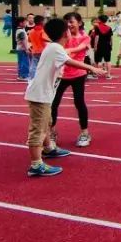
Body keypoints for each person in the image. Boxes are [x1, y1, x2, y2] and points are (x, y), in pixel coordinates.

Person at [24, 17, 103, 178]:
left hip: (44, 94)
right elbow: (70, 62)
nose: (70, 30)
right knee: (38, 130)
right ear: (64, 33)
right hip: (39, 95)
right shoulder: (55, 48)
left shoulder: (54, 47)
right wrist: (92, 68)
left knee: (47, 123)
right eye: (67, 28)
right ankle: (36, 165)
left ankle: (49, 149)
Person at [50, 12, 94, 149]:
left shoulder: (85, 37)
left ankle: (85, 133)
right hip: (61, 75)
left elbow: (78, 49)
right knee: (53, 103)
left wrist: (66, 50)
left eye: (71, 22)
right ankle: (51, 132)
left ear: (79, 23)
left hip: (78, 75)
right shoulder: (63, 37)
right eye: (66, 22)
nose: (69, 25)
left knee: (79, 102)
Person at [90, 14, 114, 79]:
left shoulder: (97, 27)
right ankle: (108, 75)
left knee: (96, 61)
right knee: (108, 61)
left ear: (100, 20)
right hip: (107, 46)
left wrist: (95, 46)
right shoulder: (109, 28)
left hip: (99, 46)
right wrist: (111, 45)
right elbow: (111, 38)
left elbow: (97, 37)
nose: (97, 20)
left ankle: (95, 75)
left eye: (98, 19)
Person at [28, 15, 47, 79]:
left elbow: (29, 40)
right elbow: (45, 38)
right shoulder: (43, 31)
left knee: (34, 66)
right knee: (44, 66)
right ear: (41, 22)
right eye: (44, 21)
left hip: (35, 51)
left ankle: (32, 79)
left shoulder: (31, 31)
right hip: (43, 51)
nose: (45, 22)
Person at [14, 16, 30, 81]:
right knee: (24, 63)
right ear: (21, 23)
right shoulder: (21, 31)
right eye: (25, 22)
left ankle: (21, 75)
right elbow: (23, 40)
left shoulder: (20, 30)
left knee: (21, 62)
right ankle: (23, 76)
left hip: (20, 48)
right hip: (22, 49)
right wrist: (26, 49)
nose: (26, 23)